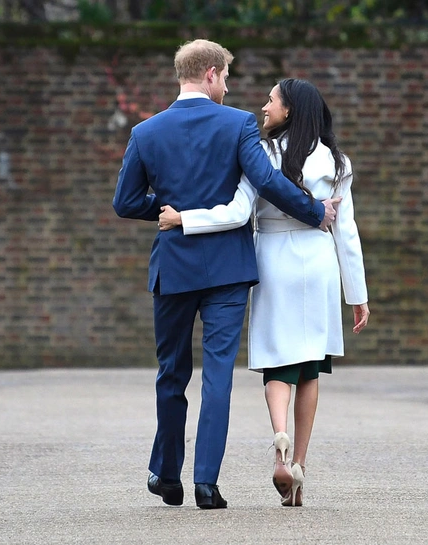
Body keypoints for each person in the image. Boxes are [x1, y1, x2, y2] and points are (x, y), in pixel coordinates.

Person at [112, 40, 340, 510]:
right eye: (227, 79)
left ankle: (166, 473)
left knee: (171, 373)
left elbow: (125, 202)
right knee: (217, 376)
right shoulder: (237, 124)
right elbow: (268, 182)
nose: (229, 88)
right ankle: (206, 485)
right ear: (212, 74)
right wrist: (315, 212)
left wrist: (171, 211)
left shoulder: (145, 132)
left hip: (173, 268)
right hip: (228, 270)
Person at [158, 78, 370, 507]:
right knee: (311, 366)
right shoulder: (337, 161)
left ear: (289, 110)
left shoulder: (262, 153)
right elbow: (346, 232)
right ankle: (300, 466)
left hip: (274, 258)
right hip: (320, 261)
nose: (264, 106)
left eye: (271, 100)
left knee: (277, 359)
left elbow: (238, 212)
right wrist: (357, 295)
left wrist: (185, 219)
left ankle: (280, 443)